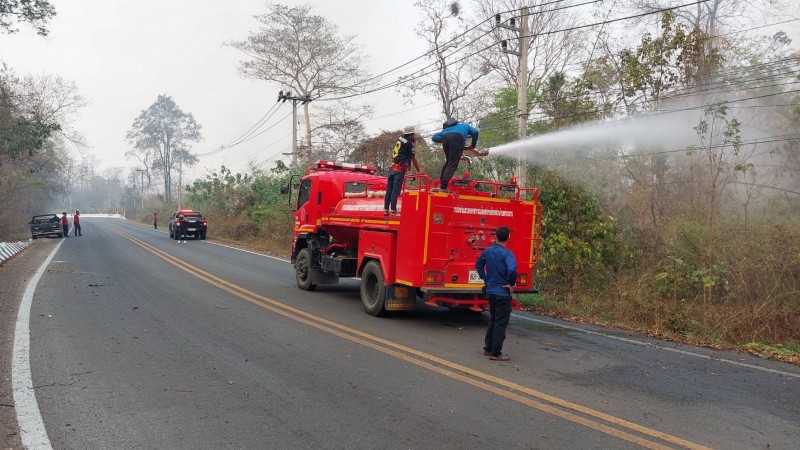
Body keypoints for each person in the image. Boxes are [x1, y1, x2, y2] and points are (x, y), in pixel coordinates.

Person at [475, 225, 517, 361]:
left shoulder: (487, 251)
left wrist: (485, 278)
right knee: (500, 322)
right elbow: (511, 270)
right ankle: (496, 352)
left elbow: (478, 265)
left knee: (493, 319)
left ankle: (488, 348)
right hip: (503, 293)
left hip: (491, 291)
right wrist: (511, 284)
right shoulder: (508, 254)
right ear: (508, 237)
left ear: (495, 236)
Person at [431, 117, 479, 192]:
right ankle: (443, 187)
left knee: (449, 162)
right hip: (458, 138)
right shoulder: (464, 125)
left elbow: (434, 137)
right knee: (452, 163)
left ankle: (441, 185)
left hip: (446, 139)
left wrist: (445, 140)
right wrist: (473, 145)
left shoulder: (446, 130)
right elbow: (475, 132)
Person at [383, 125, 420, 216]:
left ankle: (386, 210)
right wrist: (418, 170)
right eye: (413, 134)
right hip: (399, 170)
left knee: (389, 190)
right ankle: (393, 211)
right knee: (395, 191)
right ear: (411, 134)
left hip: (392, 168)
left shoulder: (400, 139)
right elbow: (413, 158)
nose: (414, 136)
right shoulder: (409, 144)